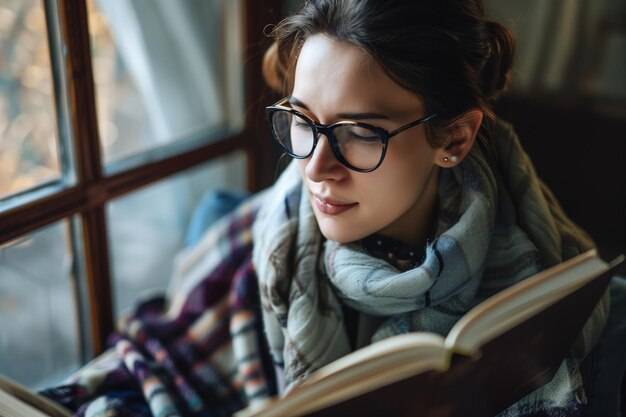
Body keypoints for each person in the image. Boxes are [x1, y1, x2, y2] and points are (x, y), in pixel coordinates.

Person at [42, 0, 622, 416]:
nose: (316, 166)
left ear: (454, 139)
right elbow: (147, 367)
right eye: (302, 121)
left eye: (361, 132)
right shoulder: (258, 244)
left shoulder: (562, 291)